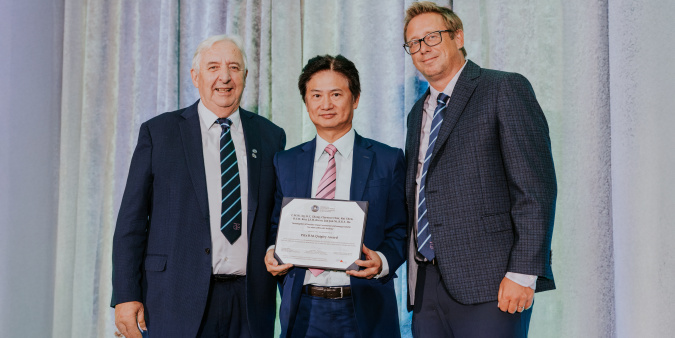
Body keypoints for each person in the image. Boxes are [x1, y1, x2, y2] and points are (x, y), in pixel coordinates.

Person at [111, 34, 286, 338]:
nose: (225, 77)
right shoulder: (159, 133)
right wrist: (126, 294)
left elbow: (276, 216)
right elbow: (132, 220)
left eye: (234, 67)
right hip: (175, 298)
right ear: (195, 76)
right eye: (213, 67)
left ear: (245, 76)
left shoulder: (271, 137)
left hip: (249, 302)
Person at [402, 2, 557, 337]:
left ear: (458, 37)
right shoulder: (417, 113)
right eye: (413, 43)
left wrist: (523, 272)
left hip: (493, 283)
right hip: (427, 283)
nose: (422, 49)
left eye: (431, 37)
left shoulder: (503, 89)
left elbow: (535, 188)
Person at [264, 54, 407, 338]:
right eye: (316, 95)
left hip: (365, 307)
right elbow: (275, 226)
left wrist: (382, 260)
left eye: (336, 94)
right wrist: (272, 251)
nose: (325, 104)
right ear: (306, 102)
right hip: (303, 308)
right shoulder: (285, 161)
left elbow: (401, 230)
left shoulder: (388, 159)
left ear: (354, 99)